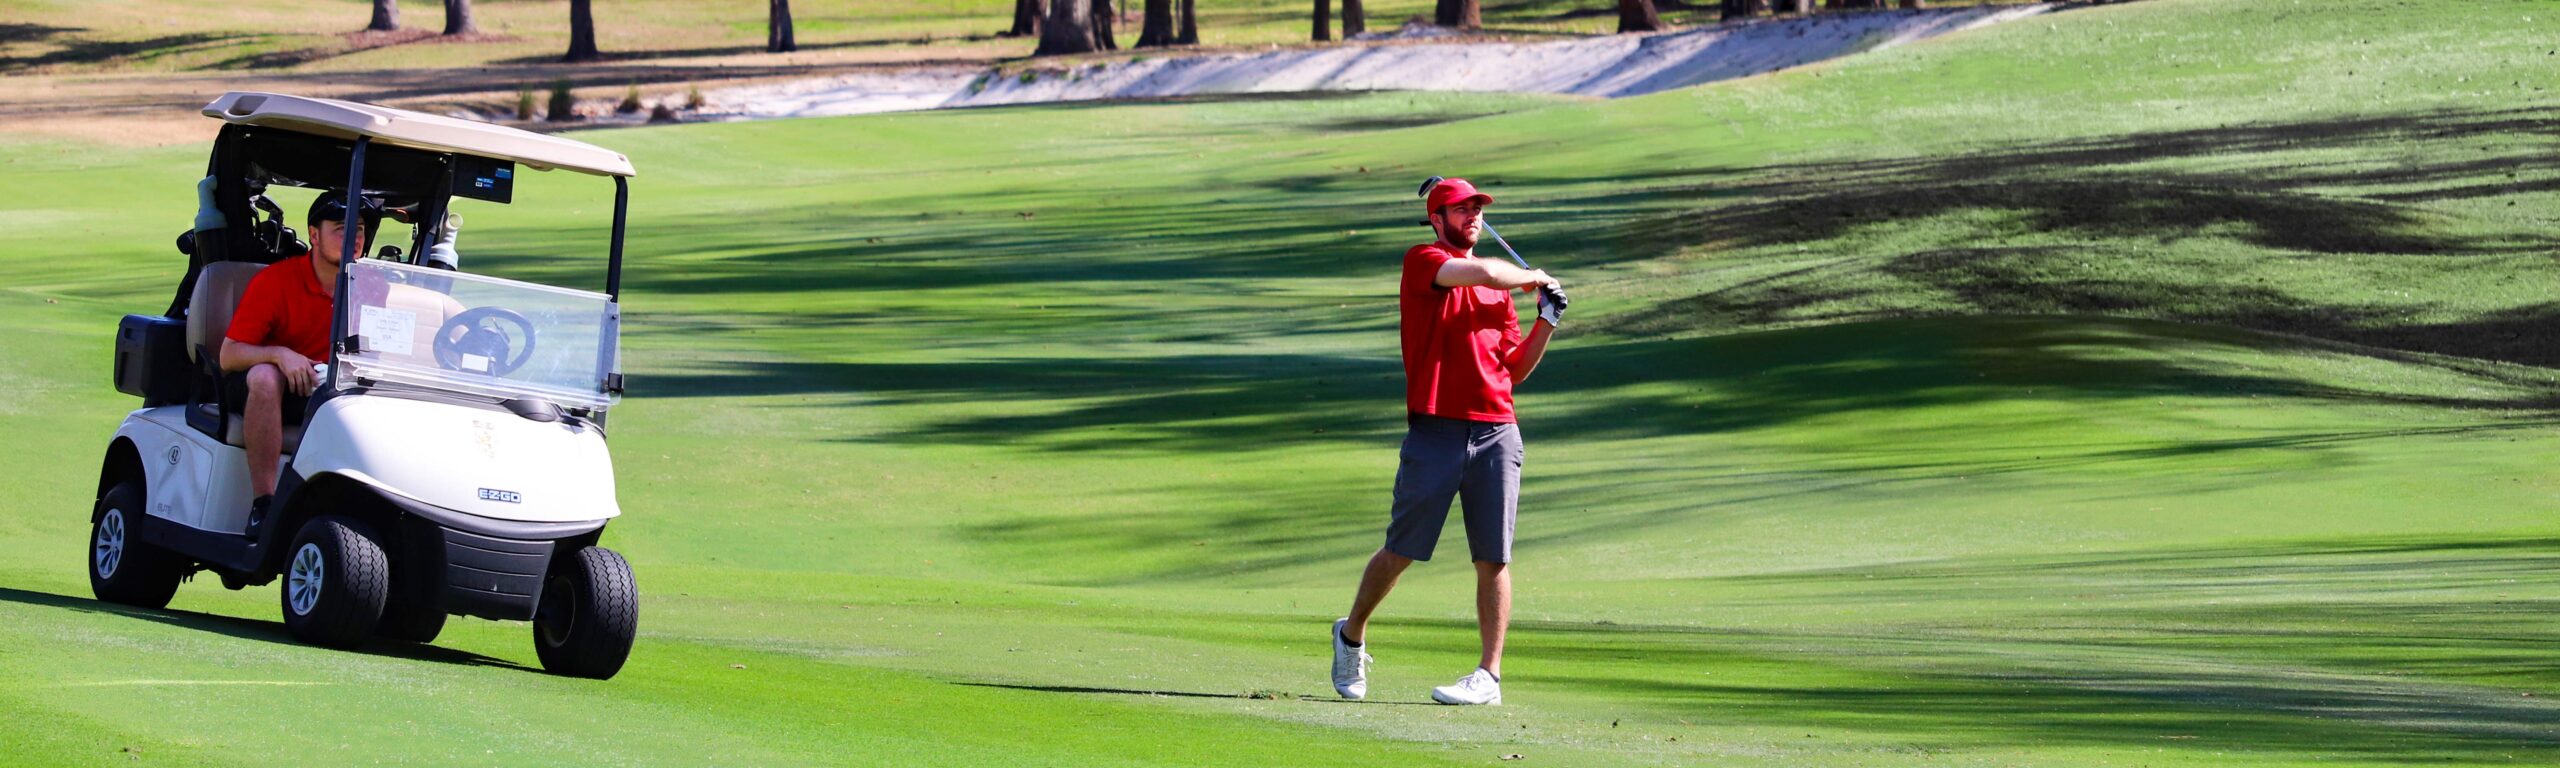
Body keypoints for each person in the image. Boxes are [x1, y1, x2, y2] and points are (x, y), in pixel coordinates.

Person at [1332, 178, 1567, 706]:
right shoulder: (1424, 261)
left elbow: (1513, 370)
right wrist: (1530, 277)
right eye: (1461, 210)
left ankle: (1489, 675)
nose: (1473, 218)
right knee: (1402, 550)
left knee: (1494, 558)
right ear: (1437, 219)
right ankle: (1351, 635)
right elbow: (1482, 270)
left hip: (1497, 430)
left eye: (1477, 210)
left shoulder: (1499, 293)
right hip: (1436, 428)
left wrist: (1545, 323)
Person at [221, 190, 375, 537]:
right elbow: (229, 355)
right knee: (264, 376)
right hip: (272, 393)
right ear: (314, 235)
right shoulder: (276, 281)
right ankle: (264, 504)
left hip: (332, 393)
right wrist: (279, 354)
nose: (353, 237)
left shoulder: (373, 287)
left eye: (360, 229)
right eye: (341, 228)